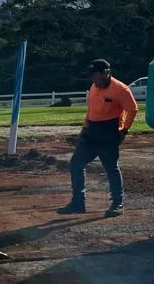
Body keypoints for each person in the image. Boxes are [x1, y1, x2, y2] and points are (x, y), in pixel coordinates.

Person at [57, 59, 138, 217]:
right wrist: (84, 128)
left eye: (94, 76)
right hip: (91, 132)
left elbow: (132, 109)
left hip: (109, 132)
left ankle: (117, 204)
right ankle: (78, 203)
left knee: (111, 168)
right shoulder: (94, 87)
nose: (92, 80)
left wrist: (124, 130)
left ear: (105, 73)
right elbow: (90, 110)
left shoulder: (121, 90)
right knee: (76, 164)